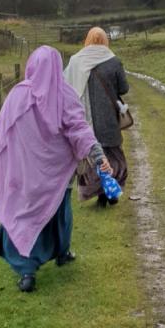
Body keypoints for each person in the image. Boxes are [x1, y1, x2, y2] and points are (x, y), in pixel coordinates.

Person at [0, 45, 112, 292]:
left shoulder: (17, 95)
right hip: (55, 175)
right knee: (58, 213)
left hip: (24, 174)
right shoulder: (64, 94)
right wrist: (97, 155)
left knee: (22, 215)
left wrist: (9, 162)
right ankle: (58, 254)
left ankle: (27, 271)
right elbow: (80, 129)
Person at [64, 27, 129, 208]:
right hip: (109, 119)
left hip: (84, 119)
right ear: (105, 40)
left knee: (93, 156)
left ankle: (99, 193)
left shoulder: (76, 62)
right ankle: (111, 191)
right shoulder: (114, 61)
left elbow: (66, 87)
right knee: (114, 156)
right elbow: (124, 88)